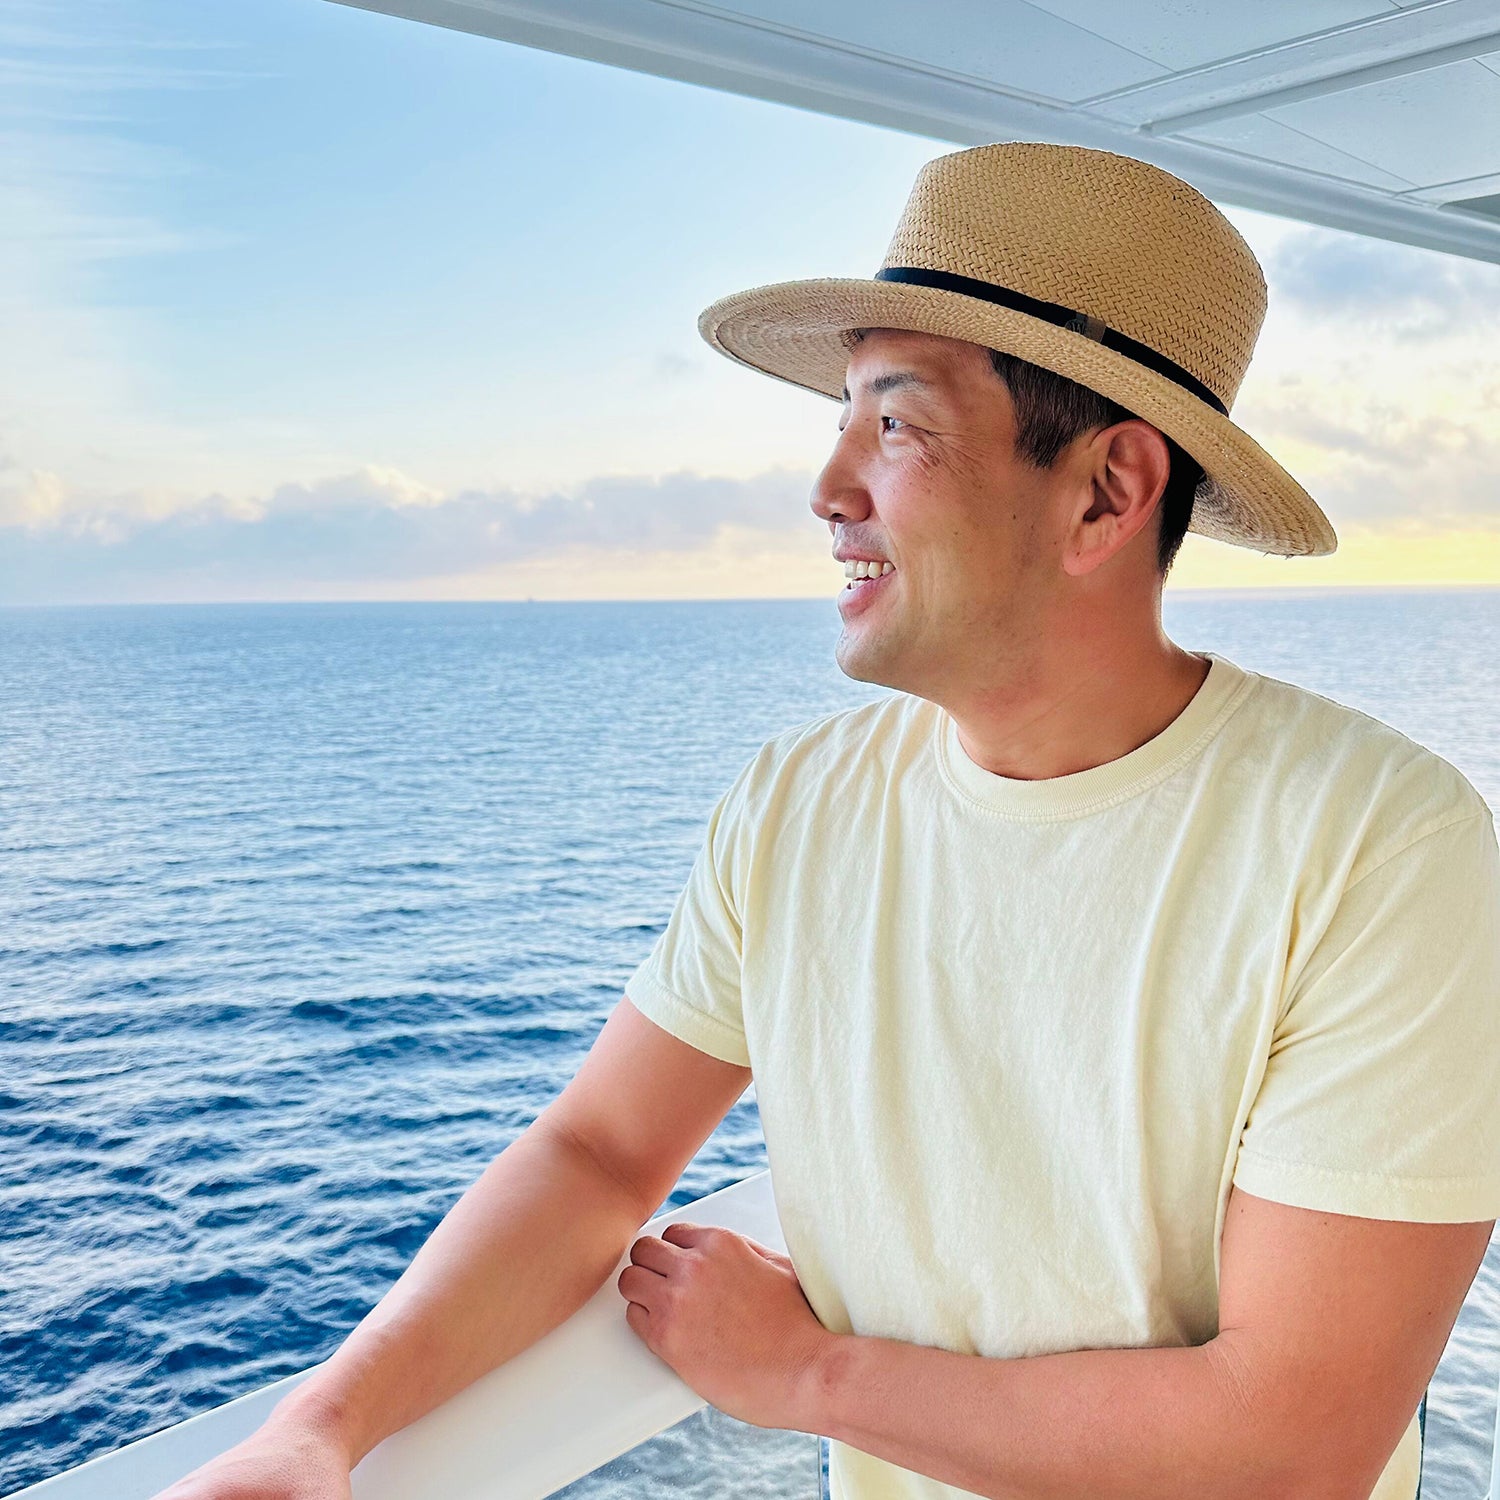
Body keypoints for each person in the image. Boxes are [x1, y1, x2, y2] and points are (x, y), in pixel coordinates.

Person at [159, 143, 1500, 1500]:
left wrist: (807, 1374)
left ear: (1106, 492)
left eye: (896, 423)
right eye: (843, 418)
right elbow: (598, 1153)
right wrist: (317, 1432)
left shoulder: (1383, 848)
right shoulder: (798, 807)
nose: (828, 487)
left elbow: (1294, 1439)